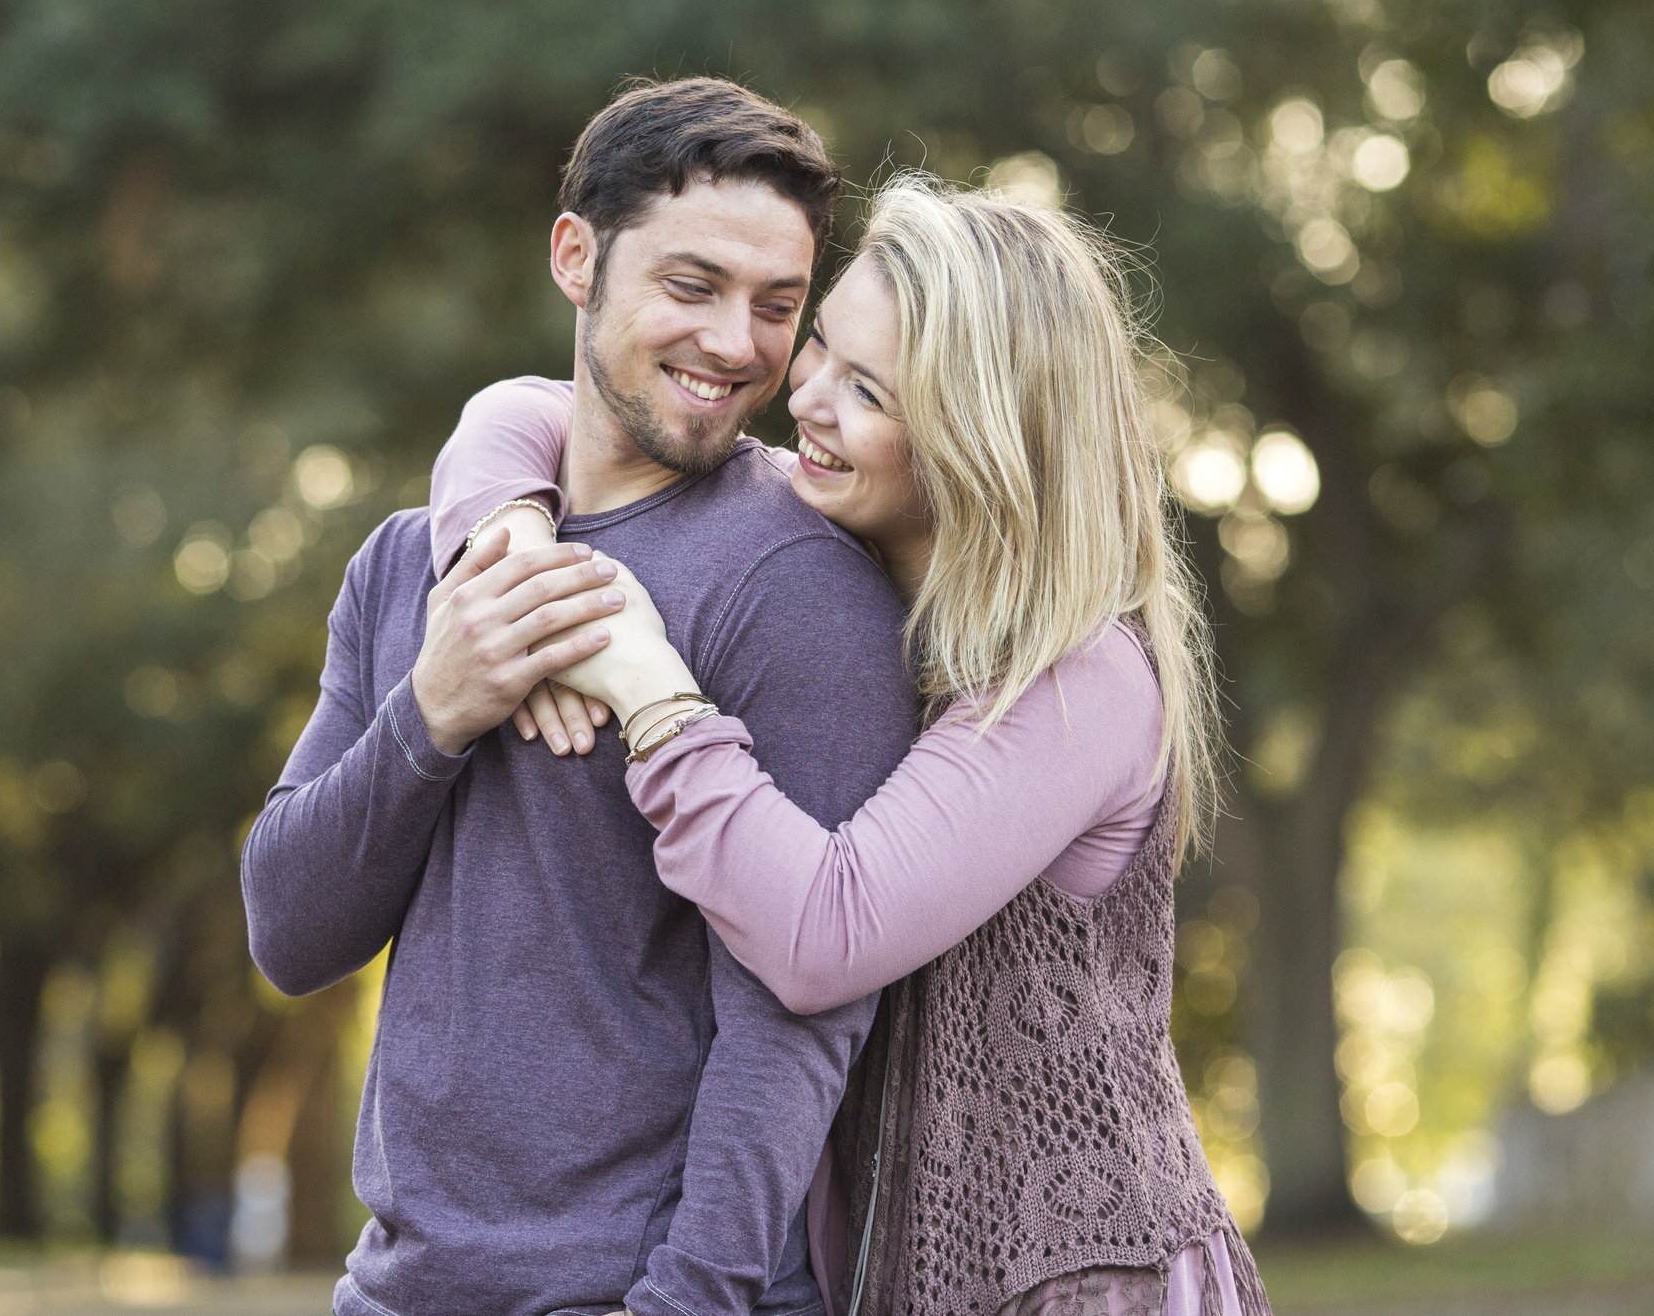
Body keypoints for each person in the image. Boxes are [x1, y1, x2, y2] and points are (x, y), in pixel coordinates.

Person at [430, 176, 1271, 1316]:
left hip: (1079, 1278)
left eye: (867, 390)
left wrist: (651, 690)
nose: (804, 396)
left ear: (979, 438)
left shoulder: (1079, 675)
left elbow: (825, 929)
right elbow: (520, 410)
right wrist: (509, 537)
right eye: (820, 345)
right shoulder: (845, 535)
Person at [241, 78, 922, 1316]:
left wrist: (682, 1304)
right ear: (576, 256)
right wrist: (433, 709)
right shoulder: (417, 561)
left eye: (778, 306)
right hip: (396, 1286)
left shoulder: (799, 583)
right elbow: (289, 932)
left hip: (645, 1295)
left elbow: (798, 1012)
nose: (737, 342)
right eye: (690, 285)